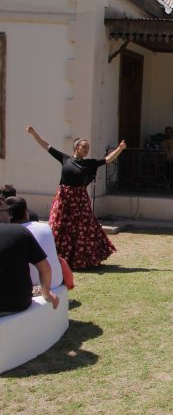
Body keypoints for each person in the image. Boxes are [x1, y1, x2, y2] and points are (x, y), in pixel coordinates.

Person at [26, 125, 126, 269]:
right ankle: (57, 258)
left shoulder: (90, 163)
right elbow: (46, 146)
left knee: (81, 228)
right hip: (64, 199)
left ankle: (80, 259)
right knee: (59, 226)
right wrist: (34, 133)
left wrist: (120, 149)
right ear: (76, 147)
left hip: (79, 200)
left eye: (88, 148)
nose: (86, 150)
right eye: (84, 147)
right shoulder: (65, 159)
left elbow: (107, 159)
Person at [0, 199, 60, 316]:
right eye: (7, 211)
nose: (10, 216)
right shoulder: (20, 231)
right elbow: (45, 268)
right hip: (16, 303)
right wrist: (46, 293)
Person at [4, 196, 63, 289]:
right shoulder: (45, 227)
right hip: (56, 281)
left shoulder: (10, 234)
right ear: (26, 212)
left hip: (33, 286)